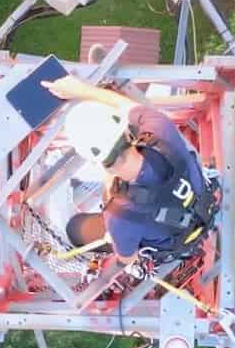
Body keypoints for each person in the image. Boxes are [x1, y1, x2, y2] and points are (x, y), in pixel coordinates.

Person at [42, 73, 215, 262]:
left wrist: (112, 203)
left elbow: (128, 259)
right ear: (126, 131)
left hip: (174, 241)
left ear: (94, 160)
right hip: (199, 210)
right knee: (128, 227)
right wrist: (81, 90)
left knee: (74, 229)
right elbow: (127, 107)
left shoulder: (120, 215)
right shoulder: (162, 131)